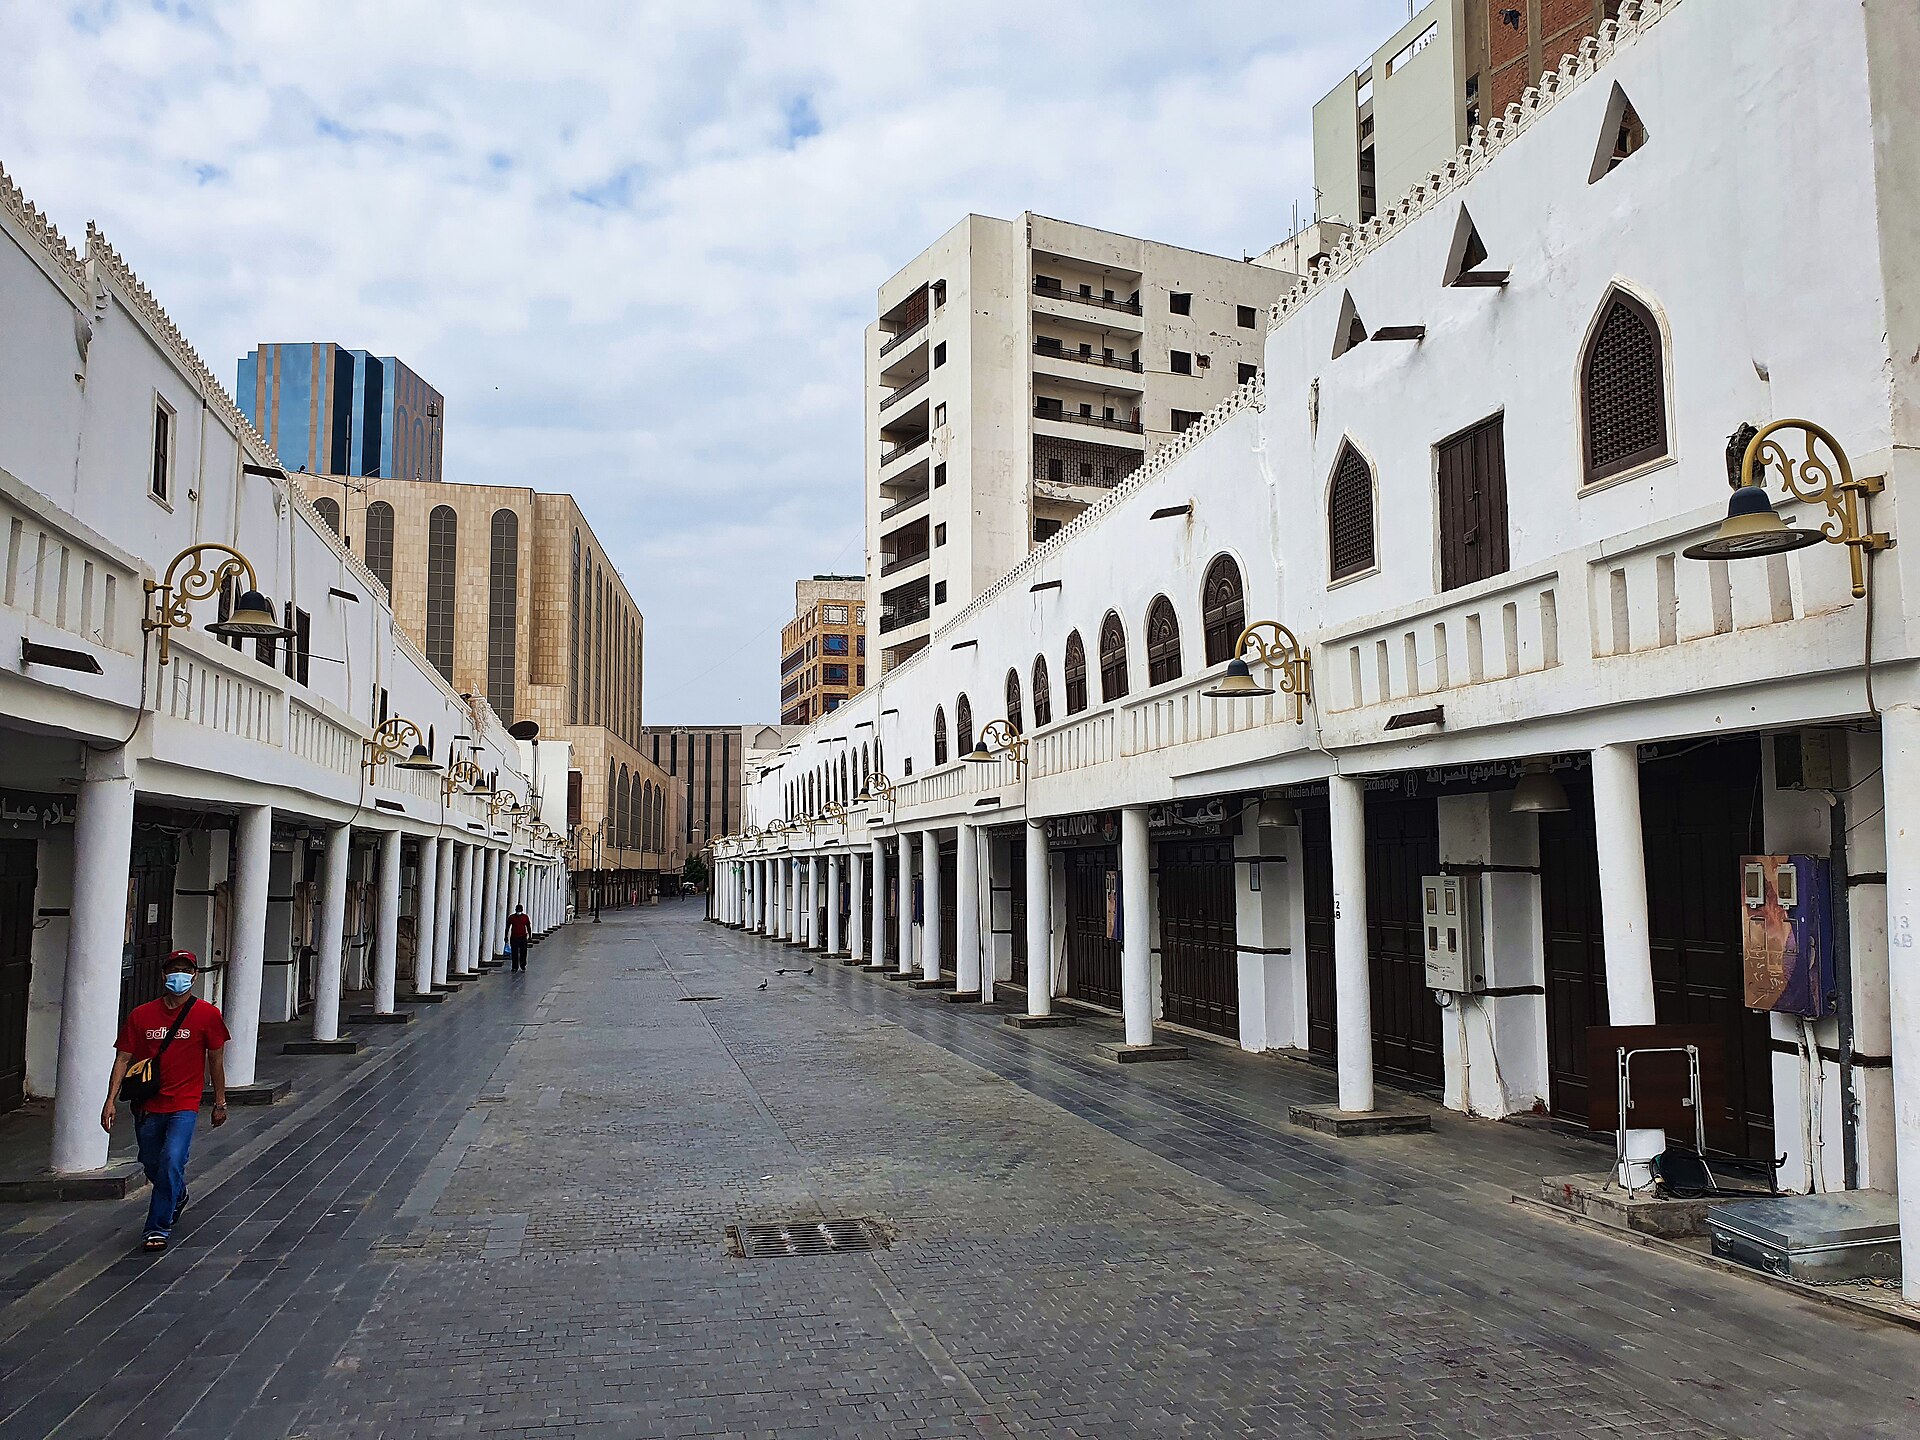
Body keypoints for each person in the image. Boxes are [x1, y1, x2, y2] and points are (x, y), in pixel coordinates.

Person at [101, 951, 229, 1252]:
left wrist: (220, 1102)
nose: (180, 976)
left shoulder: (207, 1015)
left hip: (184, 1104)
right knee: (151, 1162)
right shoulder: (141, 1015)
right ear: (163, 975)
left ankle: (157, 1227)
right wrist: (109, 1100)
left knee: (172, 1160)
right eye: (174, 970)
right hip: (147, 1104)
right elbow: (123, 1058)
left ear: (195, 975)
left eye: (186, 970)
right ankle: (177, 1193)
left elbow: (216, 1060)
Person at [506, 903, 533, 971]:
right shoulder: (511, 917)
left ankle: (523, 965)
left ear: (522, 910)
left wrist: (530, 936)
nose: (518, 912)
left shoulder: (525, 917)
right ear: (515, 910)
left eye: (520, 910)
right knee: (514, 953)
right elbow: (507, 927)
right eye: (517, 910)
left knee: (523, 952)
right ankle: (515, 966)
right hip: (514, 937)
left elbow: (528, 927)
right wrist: (506, 936)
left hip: (523, 937)